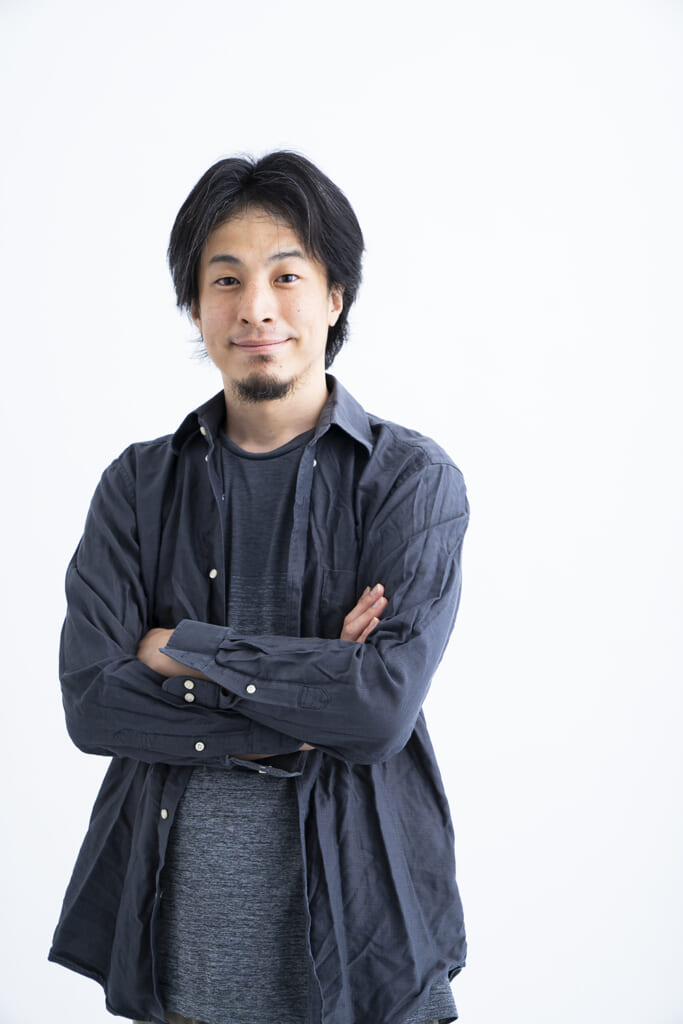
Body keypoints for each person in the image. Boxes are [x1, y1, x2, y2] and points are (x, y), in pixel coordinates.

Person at [49, 151, 469, 1024]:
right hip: (178, 962)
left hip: (364, 959)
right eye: (225, 279)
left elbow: (377, 712)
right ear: (195, 305)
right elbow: (93, 705)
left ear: (335, 296)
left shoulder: (409, 483)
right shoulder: (136, 487)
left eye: (286, 275)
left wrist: (185, 648)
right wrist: (311, 697)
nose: (255, 307)